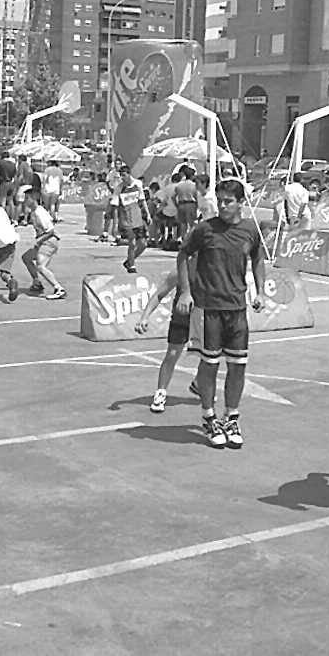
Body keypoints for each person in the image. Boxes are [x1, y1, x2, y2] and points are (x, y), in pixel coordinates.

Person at [176, 179, 265, 449]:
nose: (223, 205)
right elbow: (183, 255)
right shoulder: (205, 229)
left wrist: (260, 291)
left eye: (229, 200)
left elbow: (258, 258)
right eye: (221, 200)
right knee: (209, 364)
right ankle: (209, 417)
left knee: (238, 367)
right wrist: (185, 292)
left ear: (240, 203)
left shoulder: (250, 230)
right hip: (208, 309)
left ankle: (231, 417)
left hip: (237, 310)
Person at [136, 266, 196, 413]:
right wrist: (144, 317)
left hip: (203, 319)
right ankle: (161, 392)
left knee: (209, 356)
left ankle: (200, 384)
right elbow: (159, 295)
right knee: (172, 355)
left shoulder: (214, 267)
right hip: (182, 317)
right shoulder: (180, 271)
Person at [20, 186, 65, 299]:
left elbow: (50, 231)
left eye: (27, 199)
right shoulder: (34, 212)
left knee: (41, 266)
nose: (25, 201)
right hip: (43, 241)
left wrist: (38, 241)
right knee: (26, 257)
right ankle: (37, 283)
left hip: (49, 242)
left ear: (33, 198)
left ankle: (58, 288)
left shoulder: (40, 212)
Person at [117, 166, 150, 274]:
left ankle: (129, 260)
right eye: (121, 176)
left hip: (138, 218)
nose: (122, 178)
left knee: (143, 244)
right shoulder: (119, 188)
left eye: (124, 175)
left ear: (129, 174)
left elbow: (142, 200)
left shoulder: (138, 184)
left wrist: (148, 214)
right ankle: (132, 265)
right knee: (132, 243)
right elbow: (115, 205)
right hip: (126, 219)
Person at [174, 167, 198, 242]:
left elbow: (173, 196)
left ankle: (183, 240)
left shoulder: (179, 185)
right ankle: (191, 240)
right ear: (192, 176)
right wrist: (197, 205)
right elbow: (196, 196)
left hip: (181, 205)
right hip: (190, 204)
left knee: (183, 225)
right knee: (192, 224)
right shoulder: (194, 185)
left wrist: (176, 204)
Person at [0, 150, 18, 219]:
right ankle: (12, 217)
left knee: (2, 201)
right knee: (11, 201)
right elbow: (15, 175)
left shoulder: (1, 163)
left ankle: (2, 217)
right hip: (11, 183)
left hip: (3, 183)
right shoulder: (13, 164)